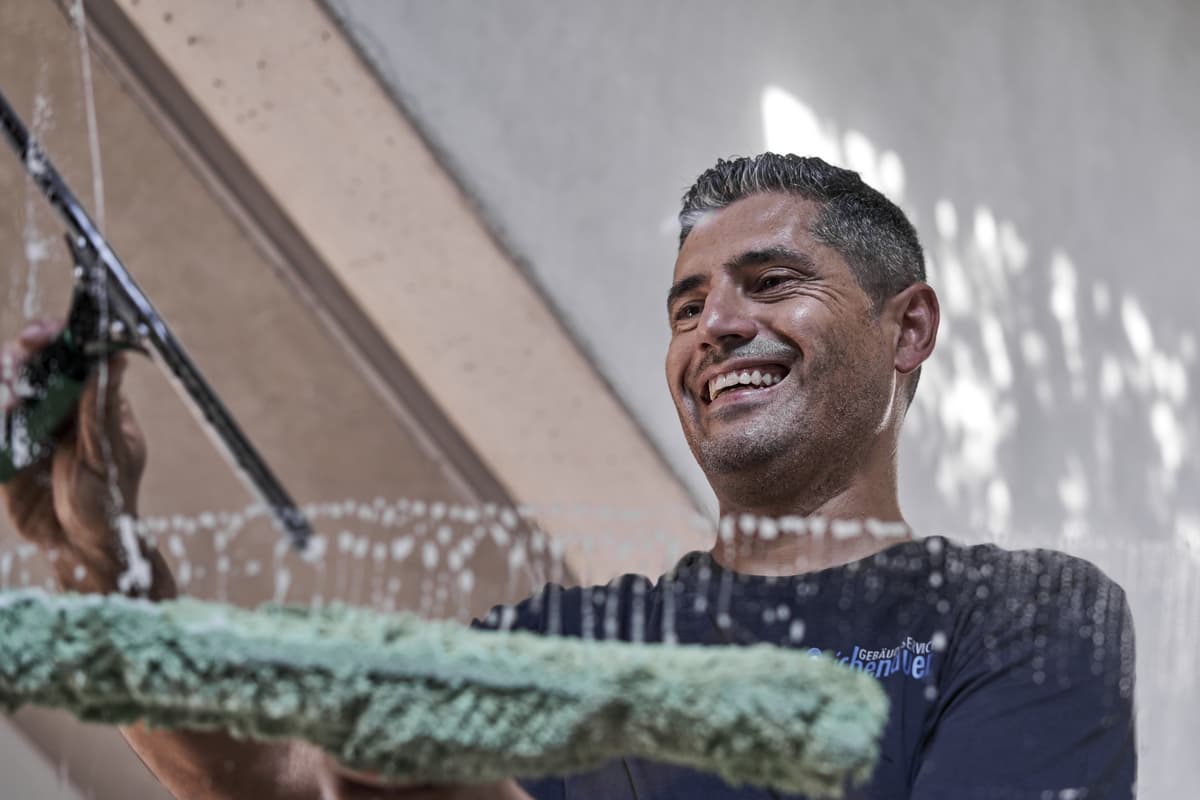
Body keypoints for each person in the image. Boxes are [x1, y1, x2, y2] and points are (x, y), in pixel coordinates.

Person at [1, 154, 1136, 799]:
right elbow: (277, 776)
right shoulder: (570, 643)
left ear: (908, 328)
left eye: (771, 281)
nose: (716, 325)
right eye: (687, 307)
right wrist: (98, 562)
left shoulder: (1023, 618)